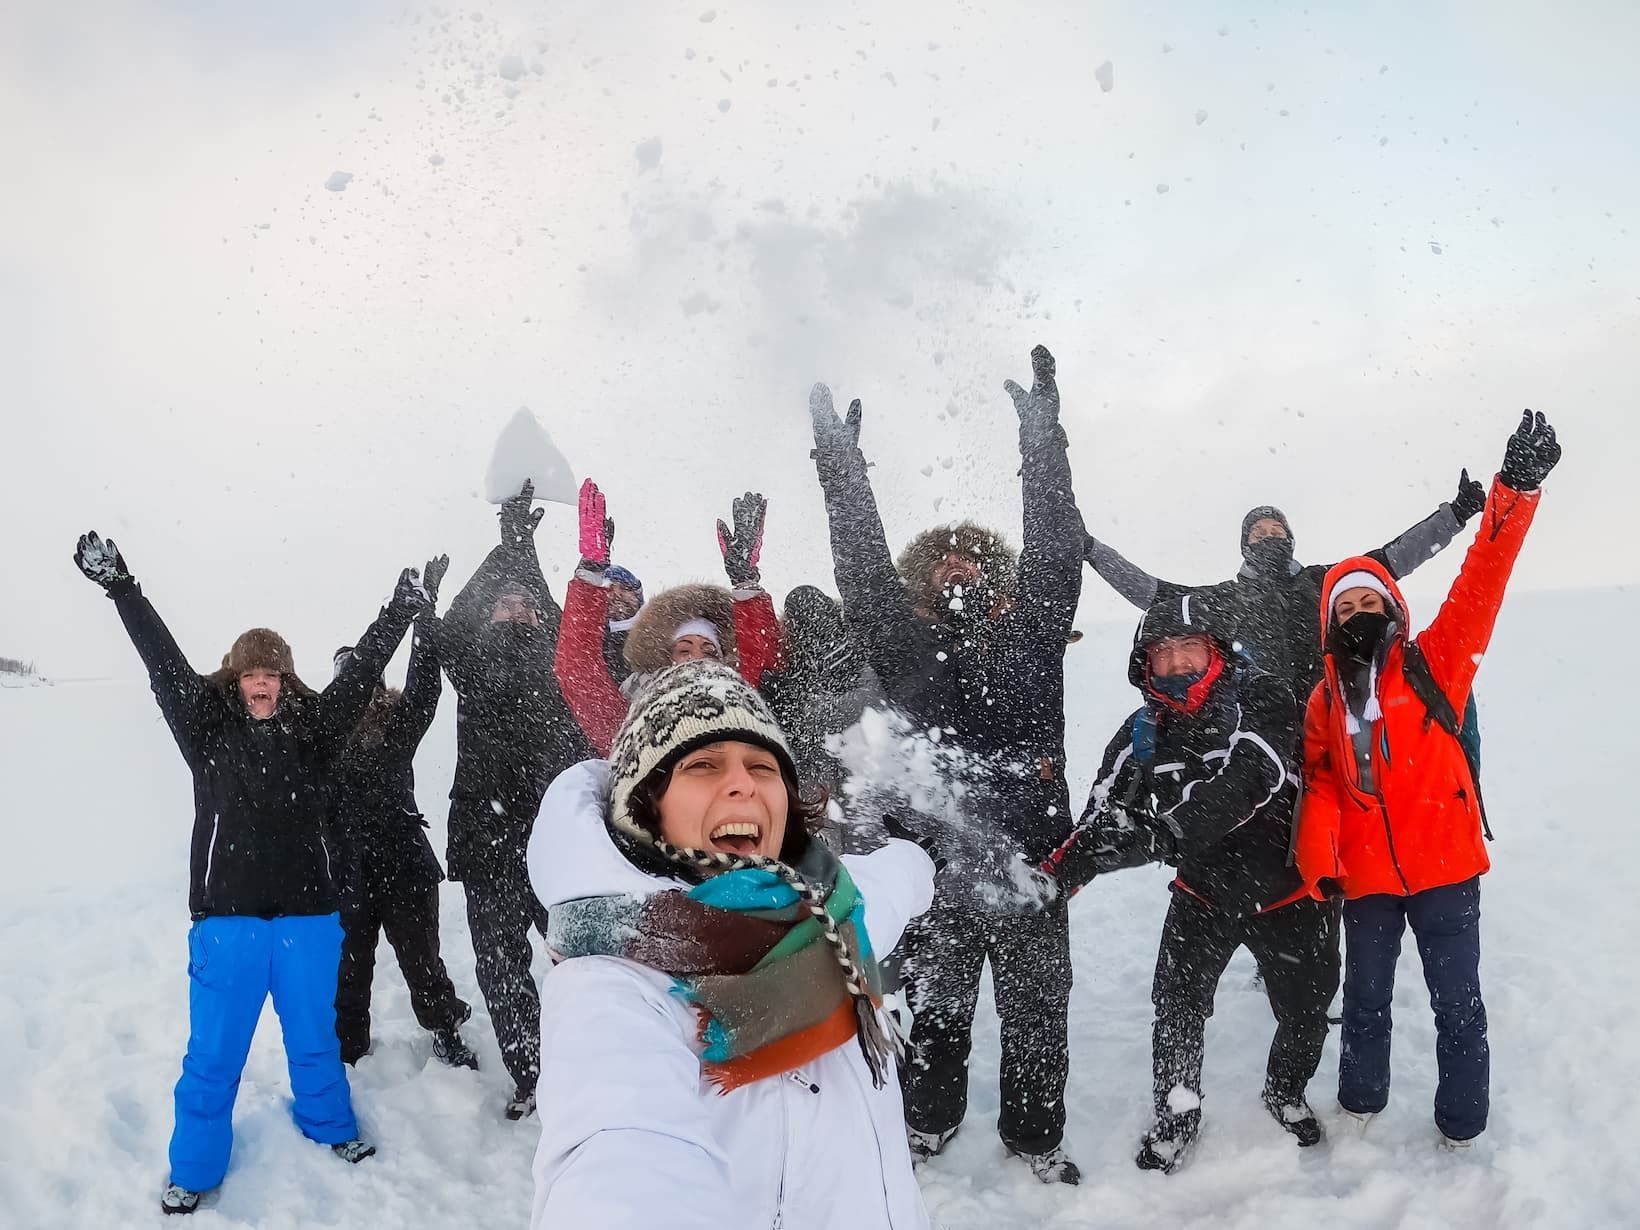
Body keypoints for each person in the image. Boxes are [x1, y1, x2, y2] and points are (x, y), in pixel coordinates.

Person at [72, 530, 426, 1216]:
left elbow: (356, 680)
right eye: (250, 672)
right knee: (212, 1057)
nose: (261, 682)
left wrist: (397, 615)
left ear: (285, 680)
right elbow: (163, 663)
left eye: (272, 672)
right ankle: (195, 1168)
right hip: (227, 923)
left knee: (315, 1040)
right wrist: (124, 589)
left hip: (308, 920)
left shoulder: (317, 734)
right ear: (235, 680)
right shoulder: (205, 733)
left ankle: (330, 1127)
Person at [805, 345, 1086, 1183]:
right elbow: (858, 565)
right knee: (938, 1008)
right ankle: (926, 1123)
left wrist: (1043, 438)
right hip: (934, 866)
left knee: (1038, 1011)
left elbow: (1056, 545)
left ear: (995, 575)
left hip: (1033, 862)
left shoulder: (1032, 630)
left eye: (971, 558)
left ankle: (1036, 1137)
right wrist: (840, 463)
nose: (956, 566)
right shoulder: (901, 641)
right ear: (922, 581)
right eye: (940, 561)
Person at [527, 660, 936, 1229]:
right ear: (647, 806)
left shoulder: (832, 906)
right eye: (703, 764)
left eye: (762, 765)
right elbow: (621, 1150)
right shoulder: (612, 986)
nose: (743, 782)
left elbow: (893, 880)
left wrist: (922, 859)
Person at [1295, 410, 1561, 1149]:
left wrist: (1515, 489)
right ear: (1329, 621)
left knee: (1458, 1004)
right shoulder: (1325, 697)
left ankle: (1462, 1121)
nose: (1357, 612)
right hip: (1370, 879)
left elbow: (1484, 578)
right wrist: (1323, 860)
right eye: (1344, 605)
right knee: (1367, 1000)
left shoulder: (1434, 660)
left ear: (1392, 607)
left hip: (1447, 869)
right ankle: (1360, 1098)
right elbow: (1319, 781)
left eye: (1368, 601)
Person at [1044, 591, 1338, 1172]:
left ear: (1215, 651)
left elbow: (1255, 774)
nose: (1178, 663)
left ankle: (1284, 1090)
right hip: (1201, 895)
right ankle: (1177, 1115)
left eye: (1190, 649)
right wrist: (1054, 881)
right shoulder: (1142, 731)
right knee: (1176, 1007)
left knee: (1306, 1009)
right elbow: (1103, 815)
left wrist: (1165, 836)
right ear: (1145, 664)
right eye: (1164, 652)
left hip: (1290, 892)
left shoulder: (1263, 695)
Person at [434, 481, 594, 1119]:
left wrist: (521, 545)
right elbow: (451, 625)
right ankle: (532, 1076)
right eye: (502, 605)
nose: (515, 610)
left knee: (582, 963)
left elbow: (560, 614)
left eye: (525, 605)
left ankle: (587, 1067)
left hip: (556, 844)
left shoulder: (561, 666)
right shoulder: (471, 666)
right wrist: (504, 546)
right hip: (486, 840)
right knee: (501, 971)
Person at [1083, 469, 1487, 713]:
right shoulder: (1224, 598)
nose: (1268, 536)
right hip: (1259, 729)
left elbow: (1391, 560)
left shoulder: (1321, 581)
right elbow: (1154, 594)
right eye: (1258, 532)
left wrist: (1453, 515)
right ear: (1245, 545)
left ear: (1290, 540)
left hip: (1335, 712)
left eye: (1276, 530)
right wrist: (1093, 551)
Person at [329, 553, 477, 1072]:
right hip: (344, 871)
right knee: (347, 969)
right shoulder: (319, 741)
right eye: (344, 678)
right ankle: (347, 1049)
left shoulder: (394, 727)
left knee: (423, 960)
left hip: (404, 864)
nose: (355, 689)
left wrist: (425, 614)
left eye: (361, 678)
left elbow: (424, 690)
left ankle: (444, 1029)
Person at [554, 478, 781, 755]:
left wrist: (746, 582)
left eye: (709, 650)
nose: (696, 657)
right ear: (666, 657)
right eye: (684, 648)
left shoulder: (740, 700)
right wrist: (590, 570)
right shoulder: (632, 724)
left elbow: (763, 658)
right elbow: (578, 670)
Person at [759, 585, 884, 805]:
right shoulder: (788, 678)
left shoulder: (861, 657)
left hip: (867, 784)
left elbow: (869, 707)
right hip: (816, 797)